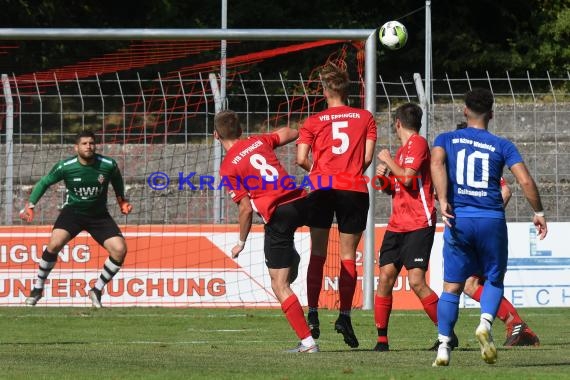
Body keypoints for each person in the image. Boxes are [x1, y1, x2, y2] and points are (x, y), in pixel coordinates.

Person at [430, 88, 547, 367]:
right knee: (493, 279)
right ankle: (485, 323)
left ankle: (444, 347)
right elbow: (526, 181)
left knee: (452, 287)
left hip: (459, 219)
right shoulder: (502, 145)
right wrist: (539, 212)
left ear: (464, 110)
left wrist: (444, 199)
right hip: (491, 219)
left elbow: (435, 162)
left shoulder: (445, 139)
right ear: (492, 114)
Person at [214, 109, 318, 353]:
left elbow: (246, 209)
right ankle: (293, 259)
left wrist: (241, 241)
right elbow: (286, 133)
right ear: (240, 130)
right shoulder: (257, 141)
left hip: (278, 215)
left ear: (216, 136)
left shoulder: (228, 167)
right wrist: (304, 132)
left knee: (279, 284)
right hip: (300, 202)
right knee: (291, 266)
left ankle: (308, 342)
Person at [296, 61, 377, 348]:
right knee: (347, 255)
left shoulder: (313, 121)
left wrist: (320, 172)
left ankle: (313, 313)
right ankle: (344, 315)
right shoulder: (365, 117)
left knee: (317, 252)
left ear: (325, 89)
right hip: (353, 189)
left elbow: (301, 158)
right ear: (345, 87)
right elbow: (367, 160)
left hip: (321, 187)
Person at [373, 103, 458, 352]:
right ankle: (381, 341)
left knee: (416, 281)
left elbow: (409, 179)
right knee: (385, 278)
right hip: (396, 225)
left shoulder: (418, 143)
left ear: (397, 123)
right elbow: (397, 186)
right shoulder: (402, 152)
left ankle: (447, 335)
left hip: (418, 223)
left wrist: (387, 160)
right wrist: (383, 179)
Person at [20, 130, 133, 308]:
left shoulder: (108, 164)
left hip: (98, 215)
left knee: (120, 250)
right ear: (76, 147)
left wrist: (122, 201)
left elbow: (117, 181)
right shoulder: (65, 166)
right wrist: (31, 204)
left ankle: (96, 290)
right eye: (84, 143)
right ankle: (37, 289)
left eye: (91, 143)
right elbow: (44, 182)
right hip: (73, 213)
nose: (89, 146)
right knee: (54, 244)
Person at [456, 122, 540, 348]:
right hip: (484, 228)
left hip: (475, 229)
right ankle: (519, 326)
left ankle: (515, 323)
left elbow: (506, 190)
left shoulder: (462, 159)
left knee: (470, 284)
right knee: (473, 283)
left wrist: (482, 214)